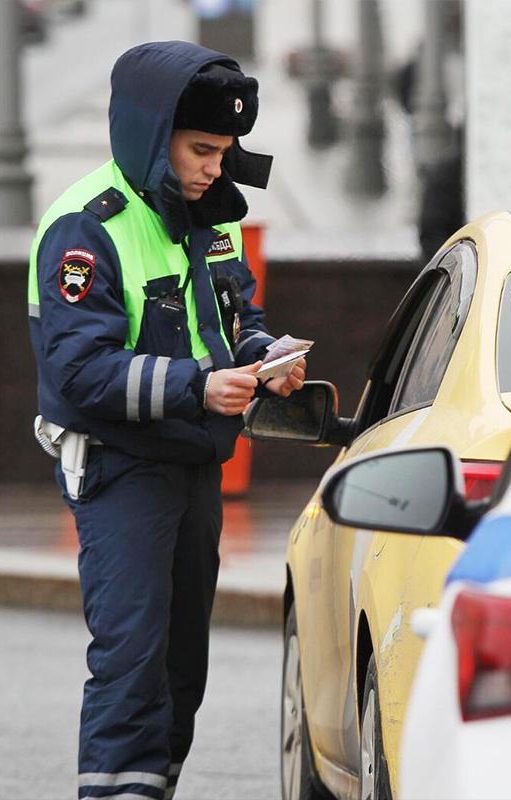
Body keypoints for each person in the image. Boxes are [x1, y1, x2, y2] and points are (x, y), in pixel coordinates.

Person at [26, 41, 305, 800]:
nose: (216, 167)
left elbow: (234, 314)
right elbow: (79, 372)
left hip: (192, 465)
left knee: (183, 665)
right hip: (119, 469)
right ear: (154, 136)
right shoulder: (85, 229)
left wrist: (268, 355)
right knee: (132, 659)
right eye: (203, 149)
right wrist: (199, 387)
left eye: (225, 151)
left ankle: (152, 787)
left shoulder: (209, 216)